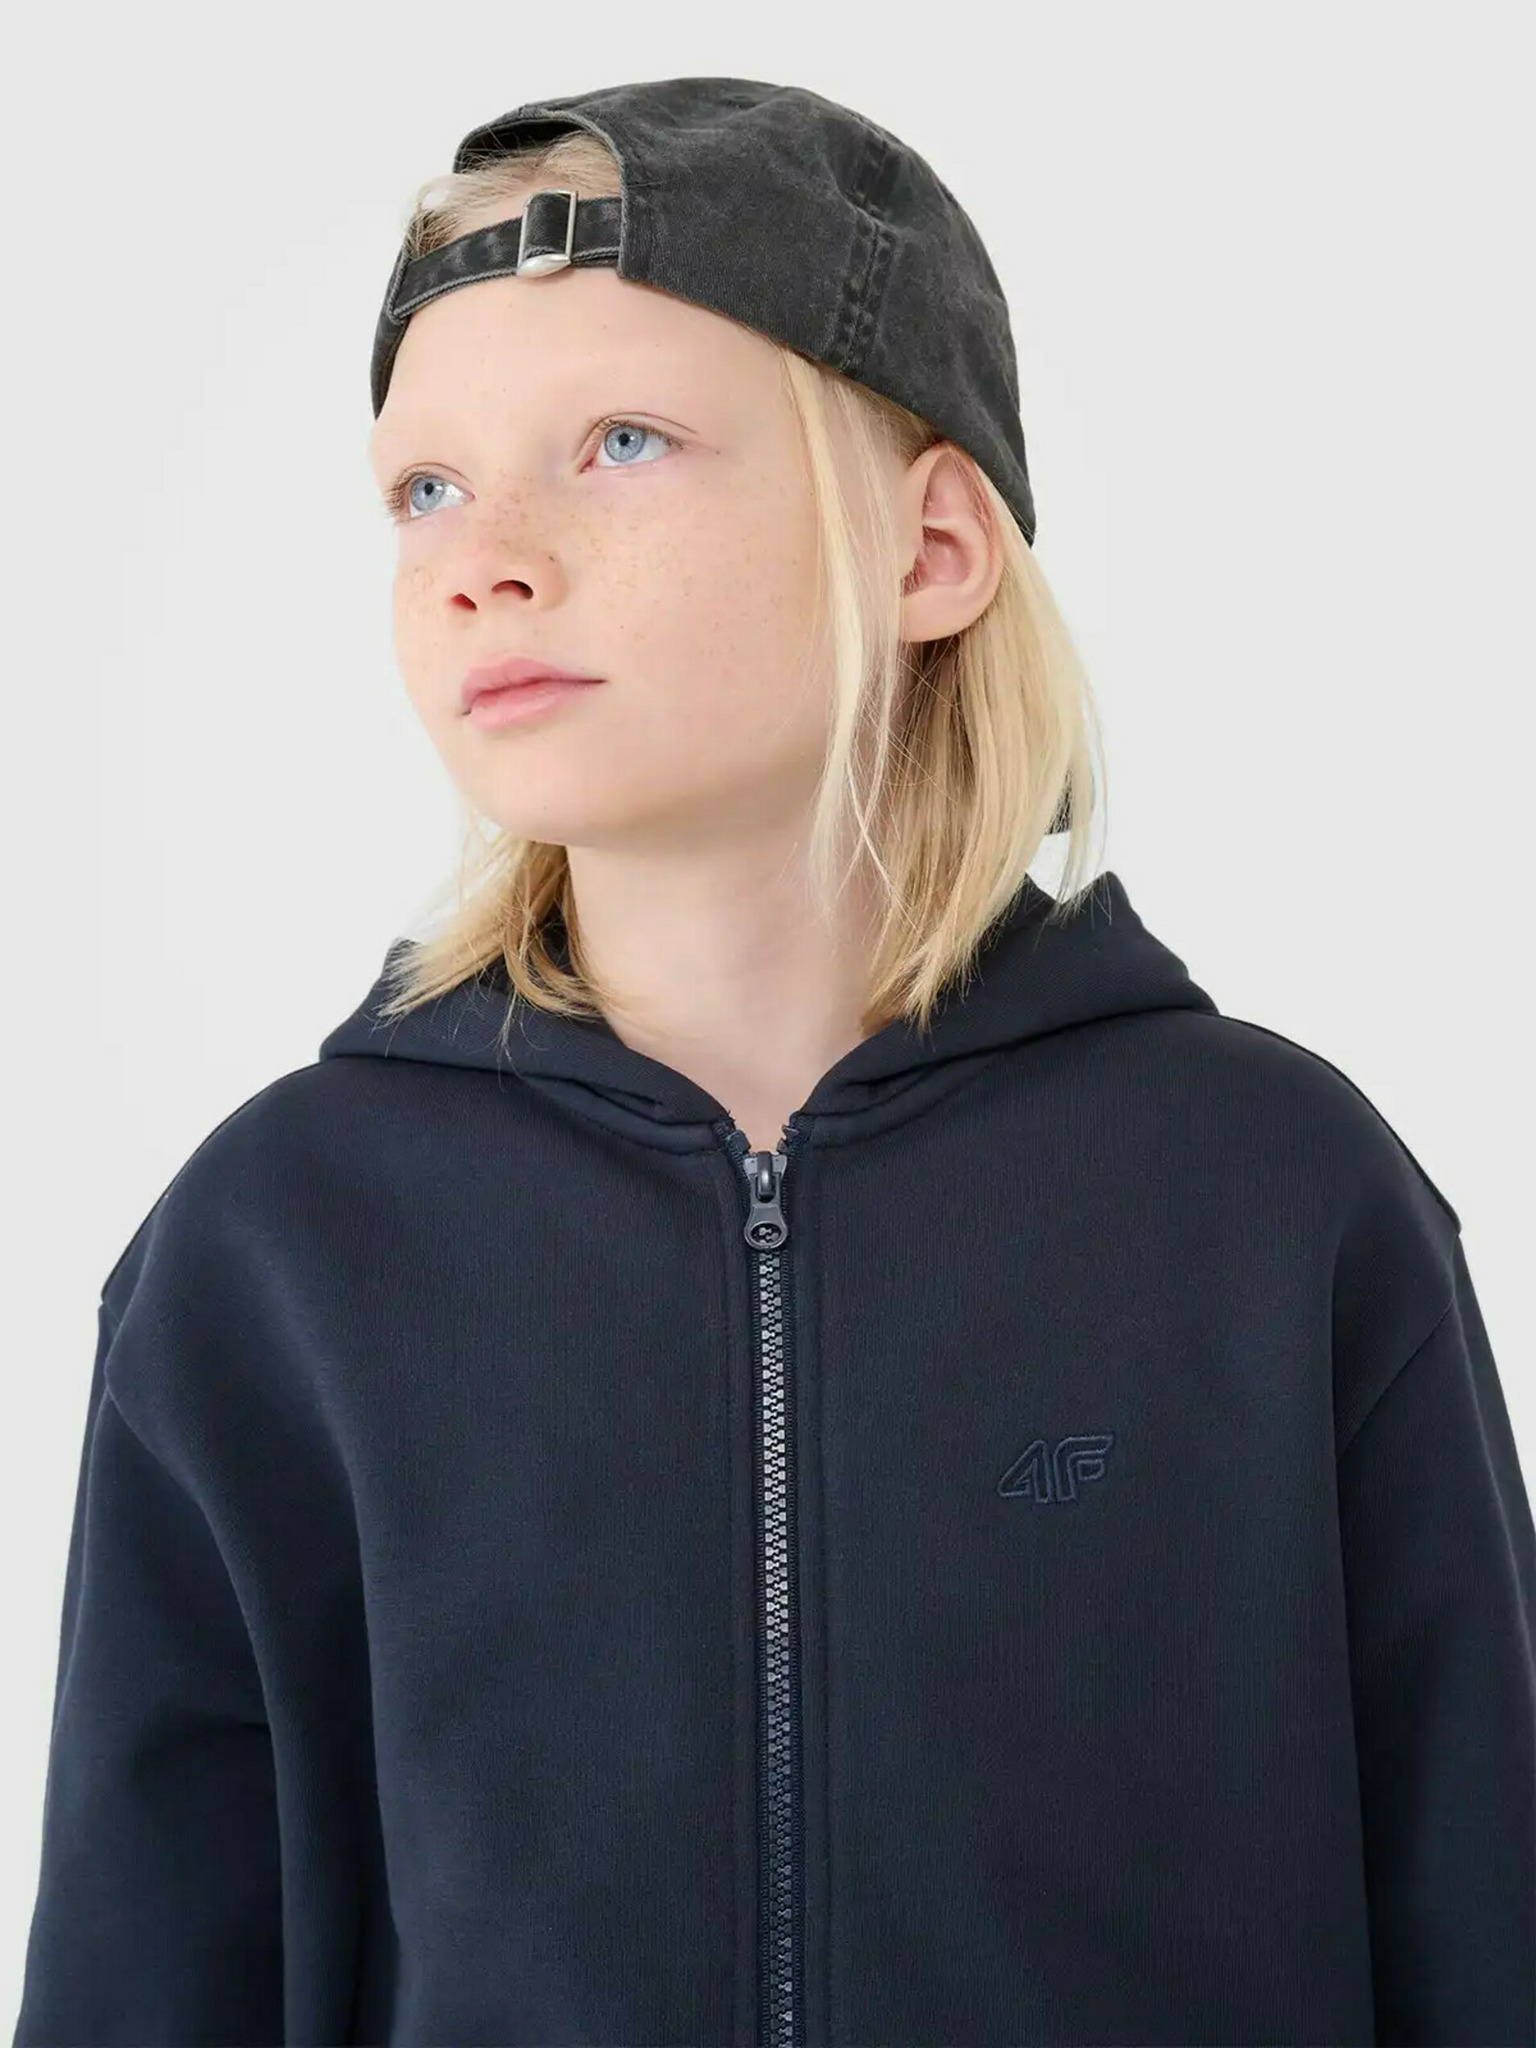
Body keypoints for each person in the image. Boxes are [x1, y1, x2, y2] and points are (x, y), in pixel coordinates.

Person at [12, 78, 1535, 2048]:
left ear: (931, 548)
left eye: (622, 442)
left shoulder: (1277, 1201)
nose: (485, 559)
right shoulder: (275, 1251)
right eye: (425, 489)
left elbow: (1487, 1933)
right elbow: (146, 1982)